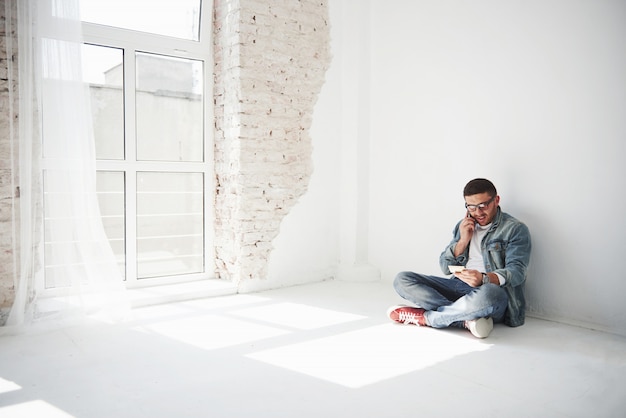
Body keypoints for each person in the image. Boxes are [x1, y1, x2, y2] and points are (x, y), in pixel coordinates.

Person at [387, 178, 531, 338]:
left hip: (488, 293)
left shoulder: (515, 229)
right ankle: (465, 319)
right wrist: (463, 241)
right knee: (402, 279)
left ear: (496, 200)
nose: (478, 212)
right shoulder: (464, 226)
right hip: (457, 286)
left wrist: (484, 279)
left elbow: (517, 272)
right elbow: (445, 267)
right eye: (471, 207)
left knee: (491, 293)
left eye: (483, 205)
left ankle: (429, 318)